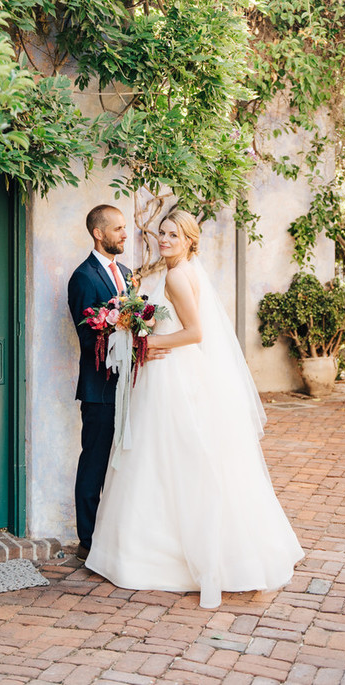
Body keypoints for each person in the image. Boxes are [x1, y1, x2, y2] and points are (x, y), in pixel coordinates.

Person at [85, 208, 304, 608]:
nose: (165, 239)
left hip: (172, 378)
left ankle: (165, 554)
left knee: (166, 457)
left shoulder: (176, 276)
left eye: (173, 234)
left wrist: (145, 344)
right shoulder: (184, 271)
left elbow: (195, 333)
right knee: (166, 458)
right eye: (162, 233)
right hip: (170, 375)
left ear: (189, 240)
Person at [67, 205, 132, 563]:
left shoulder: (126, 273)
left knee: (125, 465)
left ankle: (117, 531)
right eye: (118, 229)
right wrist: (127, 334)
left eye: (124, 228)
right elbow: (89, 339)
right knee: (94, 463)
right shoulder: (83, 277)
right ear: (99, 233)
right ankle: (88, 540)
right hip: (100, 390)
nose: (125, 234)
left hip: (132, 388)